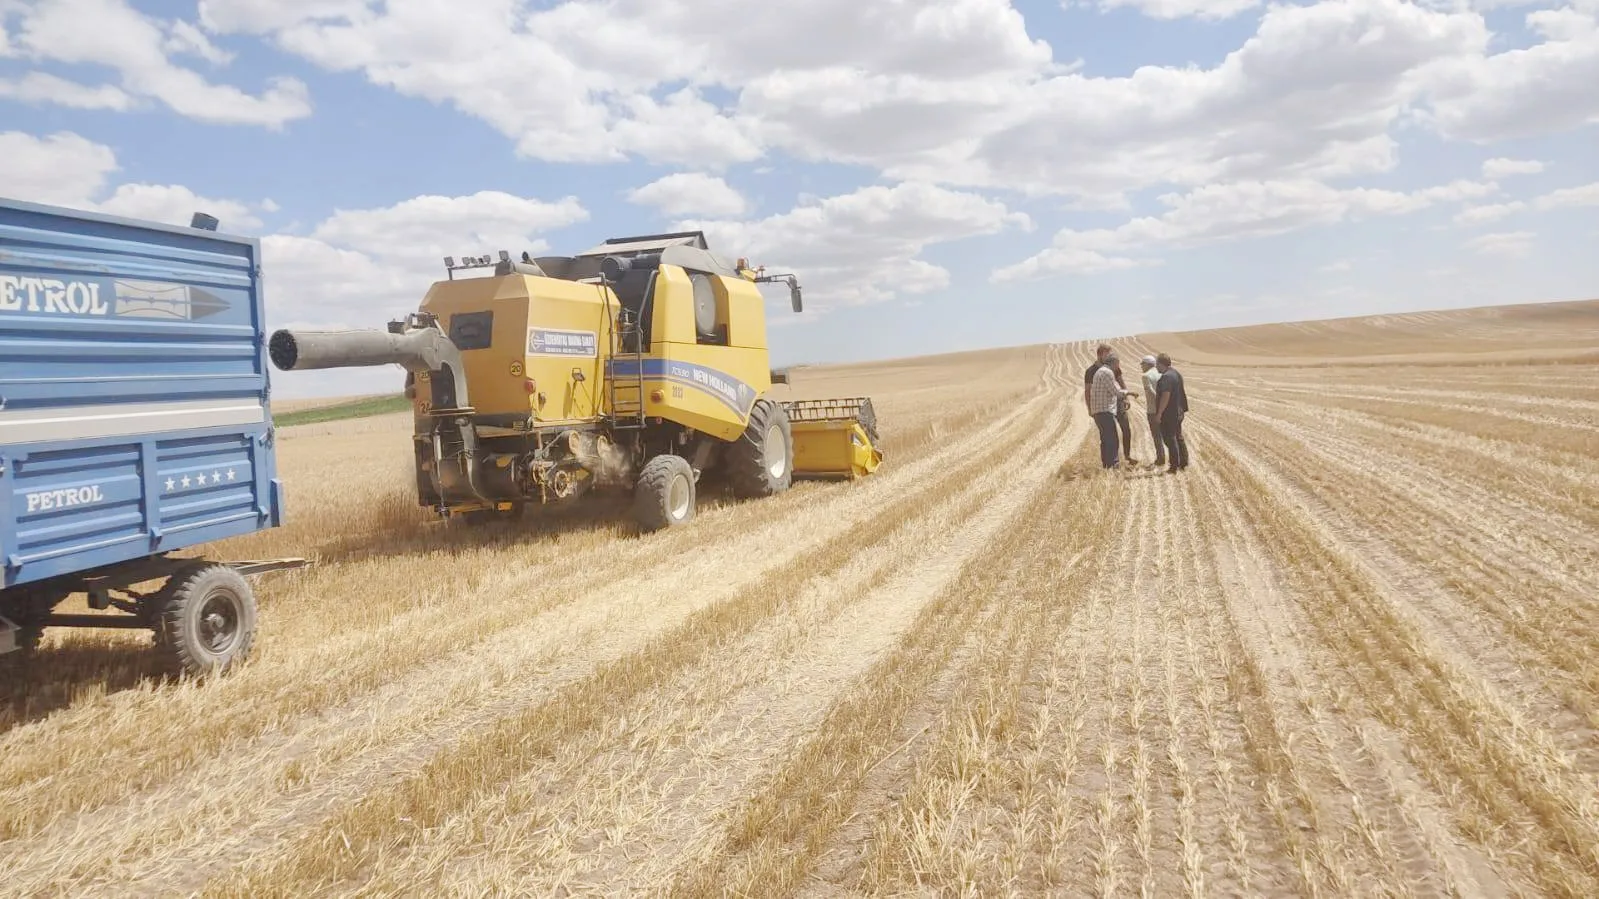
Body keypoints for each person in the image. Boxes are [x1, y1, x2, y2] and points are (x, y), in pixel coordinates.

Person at [1155, 353, 1189, 473]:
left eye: (1156, 364)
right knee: (1178, 436)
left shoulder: (1166, 377)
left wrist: (1159, 413)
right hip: (1179, 411)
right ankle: (1183, 462)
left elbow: (1166, 395)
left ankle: (1174, 465)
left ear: (1160, 364)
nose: (1156, 367)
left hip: (1169, 413)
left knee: (1170, 438)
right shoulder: (1176, 373)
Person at [1089, 356, 1122, 469]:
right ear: (1113, 363)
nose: (1118, 367)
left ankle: (1107, 465)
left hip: (1098, 411)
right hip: (1105, 410)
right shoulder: (1107, 372)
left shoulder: (1099, 372)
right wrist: (1128, 393)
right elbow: (1115, 391)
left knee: (1105, 439)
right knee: (1112, 439)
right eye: (1118, 364)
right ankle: (1113, 464)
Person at [1106, 353, 1138, 466]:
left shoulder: (1115, 369)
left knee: (1126, 429)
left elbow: (1121, 382)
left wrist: (1126, 398)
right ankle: (1113, 461)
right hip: (1108, 404)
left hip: (1118, 402)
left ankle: (1127, 456)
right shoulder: (1098, 370)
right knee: (1110, 434)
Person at [1139, 355, 1166, 469]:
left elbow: (1151, 392)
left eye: (1142, 364)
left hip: (1152, 409)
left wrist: (1158, 403)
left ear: (1147, 364)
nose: (1141, 366)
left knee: (1156, 436)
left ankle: (1160, 458)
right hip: (1164, 408)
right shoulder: (1161, 374)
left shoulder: (1146, 376)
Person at [1083, 343, 1111, 416]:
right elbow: (1087, 392)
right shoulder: (1090, 371)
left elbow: (1120, 382)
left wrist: (1125, 399)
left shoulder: (1112, 368)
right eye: (1106, 355)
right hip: (1101, 409)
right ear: (1099, 355)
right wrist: (1089, 408)